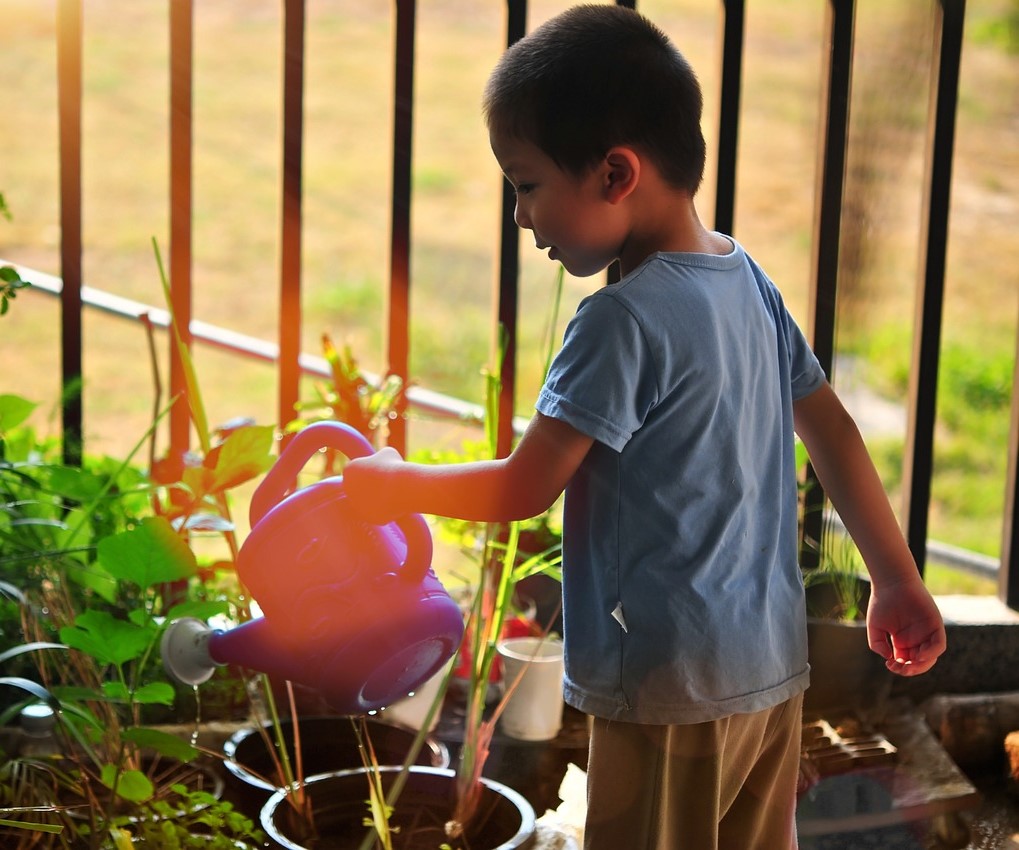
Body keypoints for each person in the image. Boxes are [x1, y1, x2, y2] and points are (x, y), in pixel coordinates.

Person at [344, 5, 947, 848]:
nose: (520, 216)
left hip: (668, 689)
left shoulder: (619, 322)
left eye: (526, 184)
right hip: (770, 673)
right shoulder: (746, 281)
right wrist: (894, 576)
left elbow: (524, 487)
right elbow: (834, 432)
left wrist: (392, 484)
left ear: (614, 173)